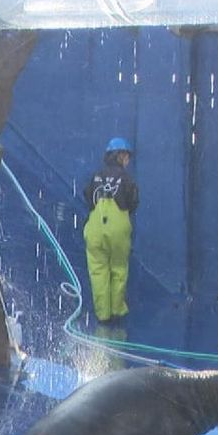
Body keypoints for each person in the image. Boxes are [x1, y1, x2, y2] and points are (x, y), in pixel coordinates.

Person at [83, 137, 139, 324]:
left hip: (95, 227)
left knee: (98, 271)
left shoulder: (96, 176)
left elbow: (87, 196)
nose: (128, 160)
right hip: (118, 229)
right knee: (119, 269)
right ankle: (117, 310)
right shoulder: (127, 179)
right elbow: (133, 202)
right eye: (127, 156)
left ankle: (102, 315)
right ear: (120, 156)